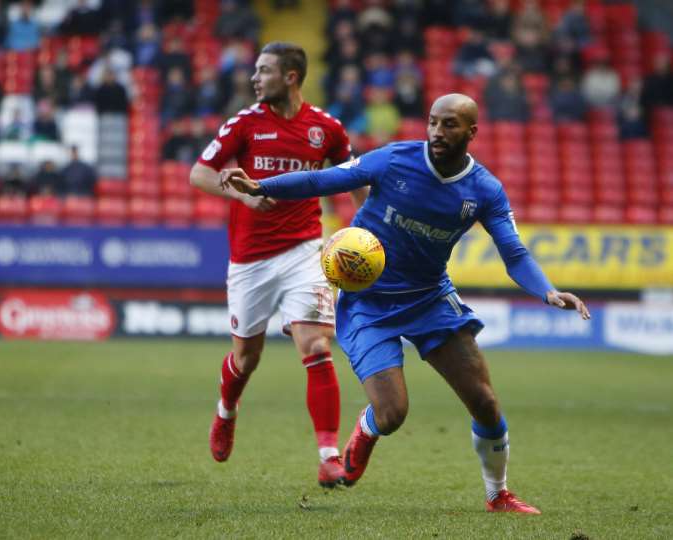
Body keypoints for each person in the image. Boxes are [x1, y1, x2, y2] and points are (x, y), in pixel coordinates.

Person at [222, 93, 591, 513]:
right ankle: (365, 432)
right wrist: (260, 185)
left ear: (471, 132)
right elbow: (321, 181)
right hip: (368, 303)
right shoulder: (394, 160)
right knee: (393, 413)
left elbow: (515, 253)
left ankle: (497, 494)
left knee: (485, 403)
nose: (437, 131)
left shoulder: (484, 190)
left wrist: (546, 291)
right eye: (433, 122)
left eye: (449, 124)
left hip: (429, 298)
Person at [190, 42, 366, 487]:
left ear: (290, 76)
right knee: (246, 358)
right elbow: (200, 173)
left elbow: (356, 180)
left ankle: (329, 455)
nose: (254, 78)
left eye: (263, 71)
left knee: (317, 346)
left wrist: (366, 229)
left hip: (305, 251)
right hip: (250, 260)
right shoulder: (245, 123)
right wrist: (241, 194)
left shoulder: (326, 129)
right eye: (255, 70)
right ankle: (226, 412)